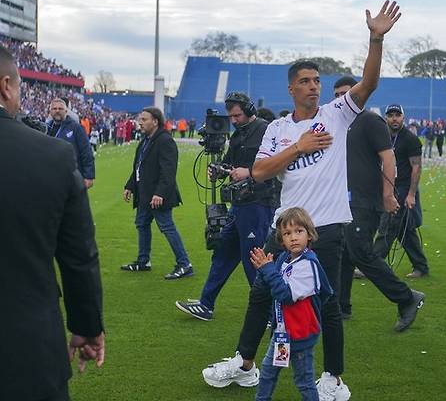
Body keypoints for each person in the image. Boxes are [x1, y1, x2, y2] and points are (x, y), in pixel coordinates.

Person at [201, 0, 401, 401]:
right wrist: (301, 146)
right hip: (284, 224)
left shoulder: (337, 113)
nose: (314, 86)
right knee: (261, 293)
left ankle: (334, 378)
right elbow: (259, 172)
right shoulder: (276, 128)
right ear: (292, 88)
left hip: (324, 227)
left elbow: (369, 84)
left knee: (326, 305)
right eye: (306, 81)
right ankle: (243, 365)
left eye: (316, 80)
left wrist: (375, 40)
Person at [0, 45, 105, 401]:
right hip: (25, 350)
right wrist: (87, 326)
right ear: (7, 86)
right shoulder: (51, 155)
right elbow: (79, 257)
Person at [175, 93, 276, 320]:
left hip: (259, 204)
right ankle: (206, 304)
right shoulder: (239, 134)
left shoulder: (266, 130)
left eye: (238, 115)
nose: (234, 120)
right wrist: (219, 169)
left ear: (250, 110)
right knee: (222, 253)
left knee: (254, 260)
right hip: (239, 204)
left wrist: (249, 173)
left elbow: (274, 165)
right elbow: (230, 162)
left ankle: (270, 314)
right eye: (231, 116)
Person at [334, 77, 425, 328]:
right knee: (344, 253)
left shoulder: (370, 121)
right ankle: (341, 306)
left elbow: (389, 160)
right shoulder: (339, 125)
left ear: (358, 94)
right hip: (344, 199)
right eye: (337, 95)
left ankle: (407, 298)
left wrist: (388, 195)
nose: (341, 99)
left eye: (346, 93)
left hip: (365, 200)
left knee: (361, 253)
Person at [251, 208, 333, 401]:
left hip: (300, 336)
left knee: (304, 380)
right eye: (287, 233)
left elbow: (285, 294)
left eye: (299, 231)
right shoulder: (284, 259)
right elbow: (271, 285)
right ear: (281, 239)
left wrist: (267, 269)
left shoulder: (307, 265)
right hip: (283, 334)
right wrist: (264, 270)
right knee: (269, 372)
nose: (293, 237)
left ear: (309, 235)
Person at [122, 106, 194, 280]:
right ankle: (143, 261)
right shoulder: (146, 139)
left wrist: (160, 193)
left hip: (157, 195)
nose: (140, 122)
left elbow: (168, 171)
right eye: (140, 119)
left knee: (167, 227)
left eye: (144, 119)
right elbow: (139, 166)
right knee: (142, 223)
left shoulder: (164, 140)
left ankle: (185, 264)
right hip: (144, 194)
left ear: (155, 121)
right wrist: (130, 186)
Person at [373, 104, 430, 278]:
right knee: (405, 230)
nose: (394, 118)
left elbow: (416, 168)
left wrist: (411, 194)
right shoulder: (382, 137)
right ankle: (421, 266)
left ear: (403, 117)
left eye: (398, 115)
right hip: (388, 186)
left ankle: (373, 266)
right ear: (386, 117)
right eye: (391, 115)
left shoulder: (410, 139)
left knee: (387, 226)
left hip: (404, 188)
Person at [47, 97, 95, 189]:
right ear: (50, 112)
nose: (57, 111)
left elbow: (86, 152)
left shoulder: (76, 128)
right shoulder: (46, 128)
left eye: (60, 109)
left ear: (66, 111)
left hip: (72, 176)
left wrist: (89, 176)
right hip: (51, 176)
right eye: (54, 108)